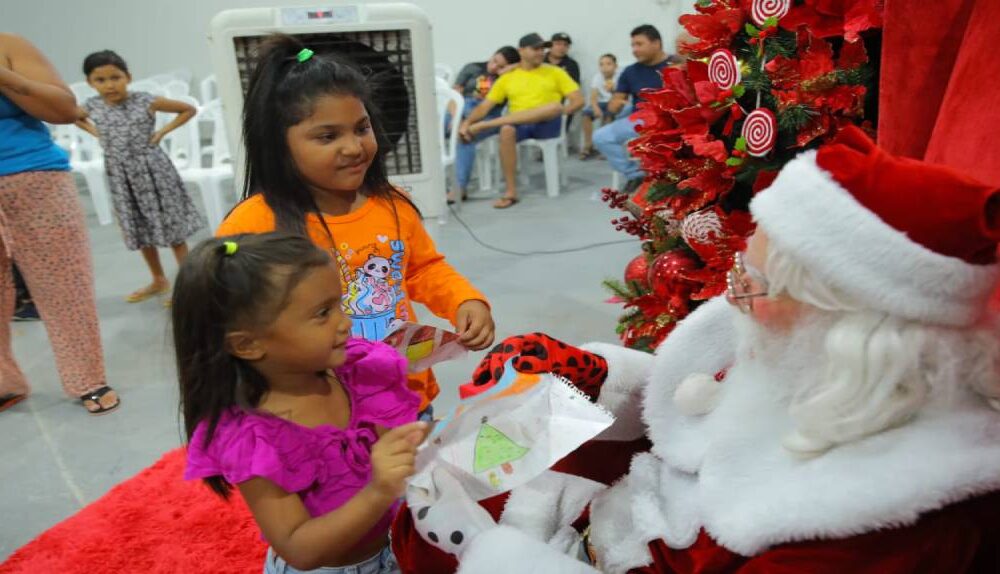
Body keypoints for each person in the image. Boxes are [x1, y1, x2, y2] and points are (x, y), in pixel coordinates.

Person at [389, 127, 1000, 572]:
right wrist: (597, 377)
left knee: (442, 523)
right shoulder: (824, 357)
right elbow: (701, 403)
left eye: (752, 282)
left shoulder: (870, 524)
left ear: (851, 326)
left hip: (632, 542)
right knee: (479, 454)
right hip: (640, 503)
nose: (733, 298)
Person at [215, 34, 495, 417]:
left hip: (405, 395)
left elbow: (423, 267)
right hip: (320, 411)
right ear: (278, 144)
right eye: (328, 136)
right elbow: (228, 318)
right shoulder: (254, 224)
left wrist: (465, 300)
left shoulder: (391, 203)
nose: (353, 147)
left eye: (361, 129)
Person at [178, 233, 429, 574]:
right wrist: (378, 491)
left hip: (395, 548)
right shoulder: (253, 438)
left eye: (339, 303)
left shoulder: (355, 373)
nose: (345, 321)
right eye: (323, 313)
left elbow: (393, 446)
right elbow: (298, 547)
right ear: (248, 345)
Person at [0, 33, 117, 415]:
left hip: (31, 174)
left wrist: (5, 76)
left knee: (65, 285)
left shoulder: (7, 45)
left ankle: (88, 379)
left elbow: (65, 110)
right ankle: (4, 382)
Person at [75, 50, 205, 303]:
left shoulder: (146, 101)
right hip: (121, 176)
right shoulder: (92, 106)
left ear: (128, 77)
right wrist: (96, 132)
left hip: (154, 172)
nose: (110, 85)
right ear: (90, 83)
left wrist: (162, 132)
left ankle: (190, 287)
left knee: (172, 229)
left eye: (116, 77)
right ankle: (158, 280)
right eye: (100, 80)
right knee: (140, 229)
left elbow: (188, 109)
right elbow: (72, 116)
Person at [461, 33, 584, 209]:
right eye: (535, 49)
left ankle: (486, 125)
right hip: (519, 124)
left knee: (554, 107)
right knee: (506, 130)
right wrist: (466, 123)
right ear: (521, 51)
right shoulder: (508, 77)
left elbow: (578, 100)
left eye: (543, 49)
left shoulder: (555, 72)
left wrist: (563, 112)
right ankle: (511, 192)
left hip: (548, 124)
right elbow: (485, 106)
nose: (541, 52)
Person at [594, 25, 681, 194]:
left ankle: (673, 178)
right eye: (633, 45)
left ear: (656, 43)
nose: (635, 50)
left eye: (639, 44)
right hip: (640, 119)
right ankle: (635, 174)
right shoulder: (630, 72)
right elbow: (617, 101)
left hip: (674, 120)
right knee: (601, 137)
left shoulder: (677, 64)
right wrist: (615, 103)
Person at [448, 46, 520, 204]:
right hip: (459, 111)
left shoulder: (508, 78)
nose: (494, 67)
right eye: (494, 61)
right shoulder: (472, 67)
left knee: (465, 137)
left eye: (501, 66)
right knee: (446, 127)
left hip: (488, 116)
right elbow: (453, 95)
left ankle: (460, 187)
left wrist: (509, 70)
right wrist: (458, 120)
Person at [579, 54, 621, 160]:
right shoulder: (597, 77)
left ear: (615, 66)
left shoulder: (620, 77)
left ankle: (605, 147)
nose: (605, 67)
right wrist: (595, 107)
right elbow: (593, 97)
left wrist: (612, 90)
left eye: (608, 64)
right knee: (586, 114)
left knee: (609, 114)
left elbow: (621, 96)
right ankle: (588, 145)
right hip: (601, 103)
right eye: (601, 64)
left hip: (615, 102)